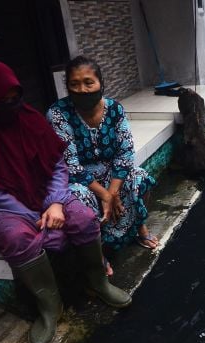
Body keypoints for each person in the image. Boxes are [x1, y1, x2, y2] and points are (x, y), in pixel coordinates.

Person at [0, 61, 132, 343]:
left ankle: (99, 282)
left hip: (43, 193)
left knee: (82, 216)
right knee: (19, 237)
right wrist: (36, 217)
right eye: (0, 102)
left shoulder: (29, 119)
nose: (9, 107)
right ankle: (49, 307)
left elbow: (57, 165)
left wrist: (55, 202)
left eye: (13, 100)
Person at [46, 56, 158, 269]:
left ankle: (139, 228)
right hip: (79, 177)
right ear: (67, 87)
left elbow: (125, 153)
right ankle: (97, 253)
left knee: (138, 177)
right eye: (74, 84)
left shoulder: (115, 109)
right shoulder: (58, 114)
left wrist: (113, 191)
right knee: (79, 197)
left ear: (100, 83)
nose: (82, 89)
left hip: (110, 170)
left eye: (89, 82)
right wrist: (105, 194)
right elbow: (71, 165)